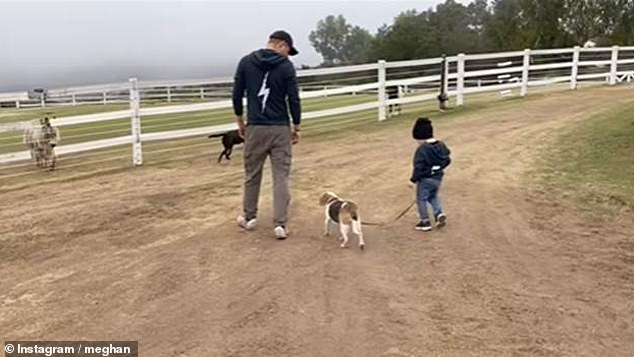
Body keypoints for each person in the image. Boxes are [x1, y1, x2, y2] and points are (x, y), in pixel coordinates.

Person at [233, 30, 302, 240]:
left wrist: (240, 121)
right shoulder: (285, 66)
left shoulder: (245, 62)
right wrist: (296, 125)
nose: (288, 56)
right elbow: (293, 98)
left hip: (255, 126)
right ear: (281, 45)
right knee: (281, 176)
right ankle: (280, 224)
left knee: (252, 173)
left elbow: (236, 94)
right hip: (280, 127)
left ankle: (249, 217)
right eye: (288, 50)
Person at [409, 117, 451, 232]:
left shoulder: (422, 149)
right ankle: (438, 213)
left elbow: (418, 166)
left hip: (425, 179)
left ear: (420, 137)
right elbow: (447, 160)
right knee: (433, 196)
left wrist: (413, 179)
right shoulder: (441, 145)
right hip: (438, 178)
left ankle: (425, 221)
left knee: (421, 199)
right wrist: (438, 168)